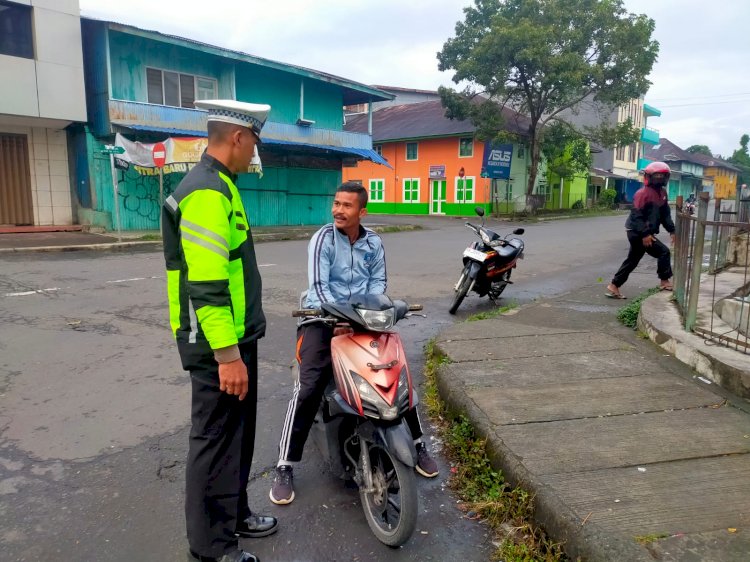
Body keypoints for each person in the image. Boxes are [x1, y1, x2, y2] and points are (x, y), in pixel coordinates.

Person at [269, 181, 439, 505]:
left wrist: (362, 316)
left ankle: (418, 444)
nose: (338, 210)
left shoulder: (374, 242)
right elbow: (319, 288)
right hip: (319, 317)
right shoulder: (323, 239)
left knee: (396, 371)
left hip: (362, 318)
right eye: (336, 203)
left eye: (346, 206)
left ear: (363, 211)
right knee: (309, 386)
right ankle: (285, 465)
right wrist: (339, 317)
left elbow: (378, 284)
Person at [162, 99, 277, 562]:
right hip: (216, 344)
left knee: (237, 436)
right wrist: (227, 356)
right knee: (214, 442)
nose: (255, 152)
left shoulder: (220, 186)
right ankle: (212, 548)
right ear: (239, 137)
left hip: (233, 336)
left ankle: (235, 515)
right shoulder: (208, 193)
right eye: (255, 142)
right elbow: (206, 285)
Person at [606, 161, 676, 299]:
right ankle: (664, 281)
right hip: (636, 232)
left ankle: (614, 286)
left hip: (644, 232)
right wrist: (645, 234)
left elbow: (665, 215)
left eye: (663, 176)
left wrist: (672, 230)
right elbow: (636, 215)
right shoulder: (642, 193)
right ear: (649, 177)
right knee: (663, 252)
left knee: (633, 259)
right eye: (657, 176)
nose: (660, 179)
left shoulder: (662, 193)